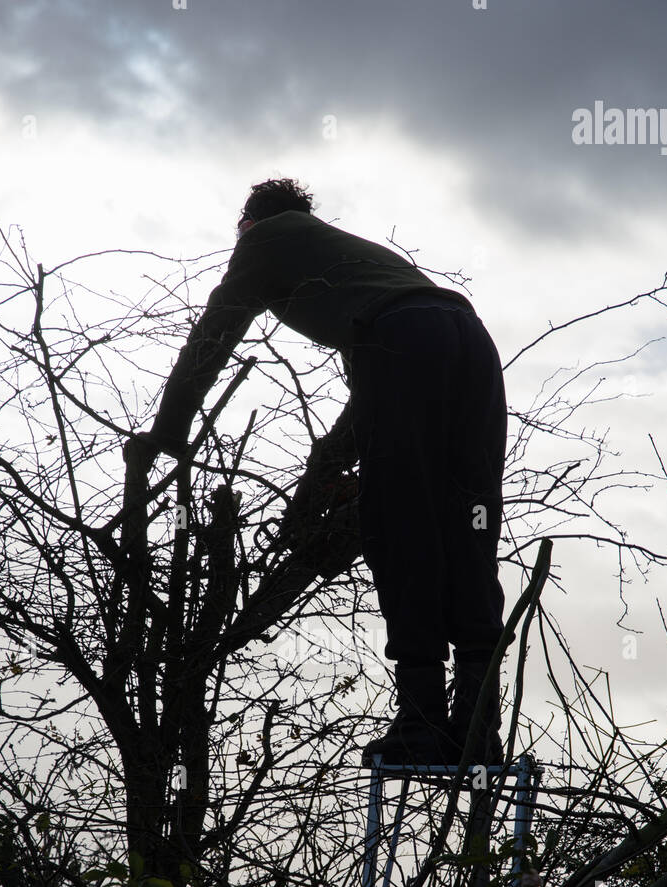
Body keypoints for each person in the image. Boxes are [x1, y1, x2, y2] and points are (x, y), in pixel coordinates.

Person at [124, 176, 506, 768]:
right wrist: (322, 470)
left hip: (404, 342)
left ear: (247, 224)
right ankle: (478, 723)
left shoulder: (264, 240)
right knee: (470, 523)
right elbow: (371, 404)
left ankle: (424, 720)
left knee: (402, 523)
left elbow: (212, 337)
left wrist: (169, 432)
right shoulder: (361, 259)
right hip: (470, 340)